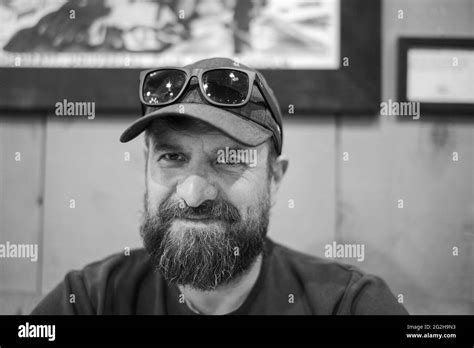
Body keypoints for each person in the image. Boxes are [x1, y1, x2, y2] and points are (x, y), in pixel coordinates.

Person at [31, 57, 408, 315]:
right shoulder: (90, 301)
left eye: (229, 159)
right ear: (146, 165)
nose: (193, 193)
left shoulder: (349, 305)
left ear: (274, 179)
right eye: (172, 157)